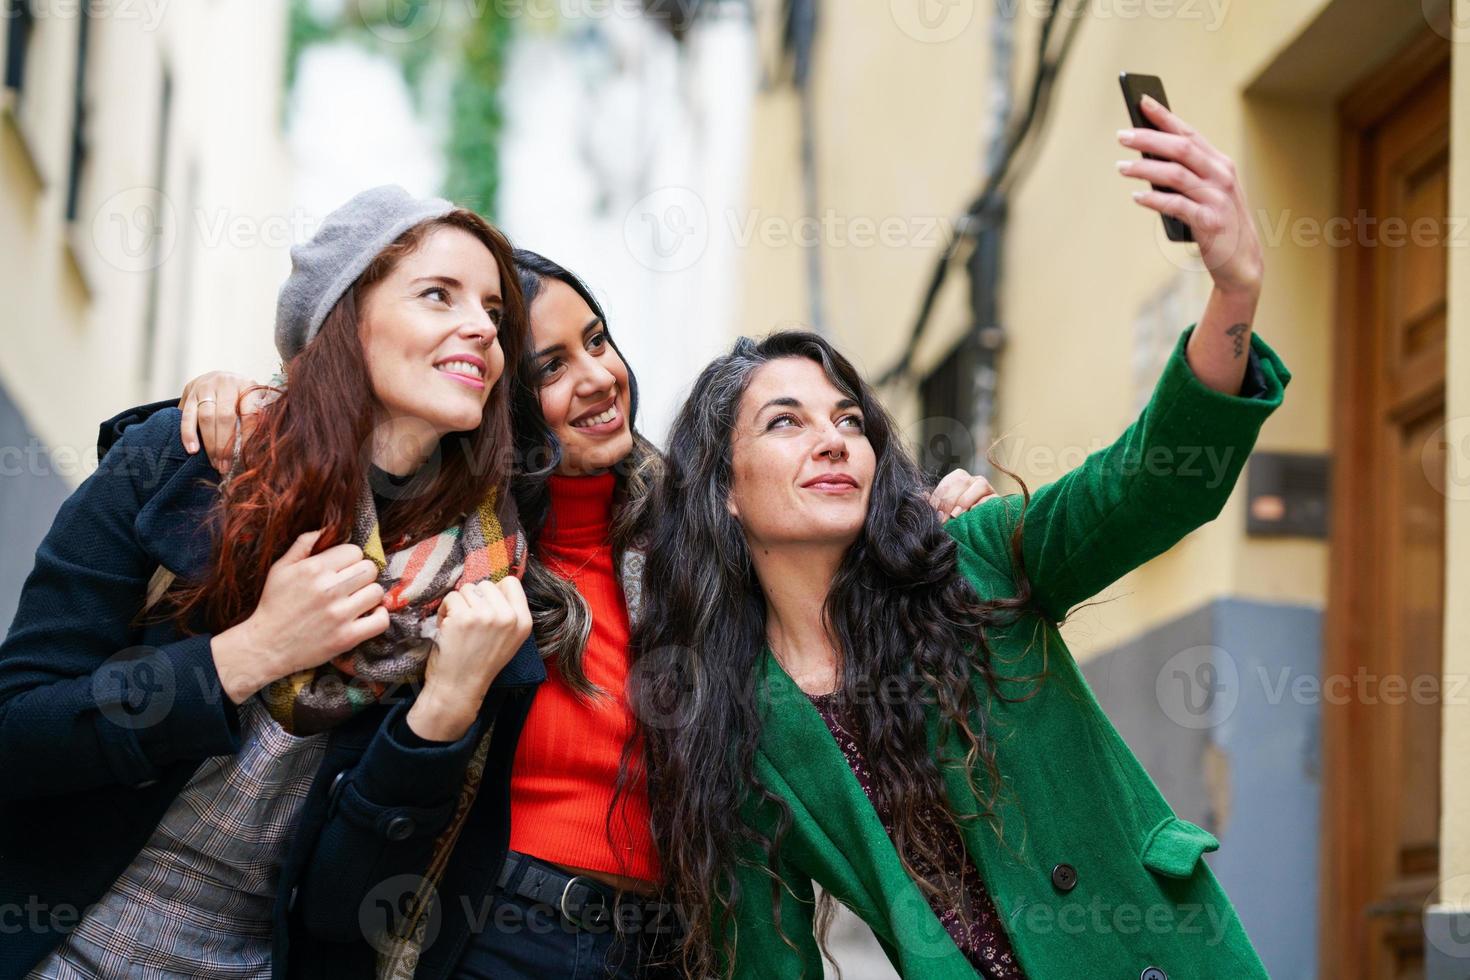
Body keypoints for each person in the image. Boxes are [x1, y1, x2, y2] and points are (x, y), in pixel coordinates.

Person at [128, 248, 999, 978]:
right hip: (504, 933)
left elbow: (818, 530)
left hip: (674, 944)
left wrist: (935, 517)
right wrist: (239, 396)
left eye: (598, 340)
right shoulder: (449, 561)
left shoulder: (696, 542)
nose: (599, 377)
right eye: (551, 366)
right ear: (502, 396)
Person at [628, 96, 1288, 978]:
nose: (834, 438)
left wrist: (1234, 291)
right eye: (785, 423)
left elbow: (1147, 487)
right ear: (725, 494)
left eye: (850, 420)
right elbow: (761, 956)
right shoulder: (738, 719)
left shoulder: (971, 556)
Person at [0, 185, 539, 980]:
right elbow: (19, 735)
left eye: (494, 311)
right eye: (438, 295)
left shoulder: (481, 592)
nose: (481, 329)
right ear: (342, 320)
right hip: (55, 948)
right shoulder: (185, 466)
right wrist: (249, 653)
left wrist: (442, 713)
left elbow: (339, 918)